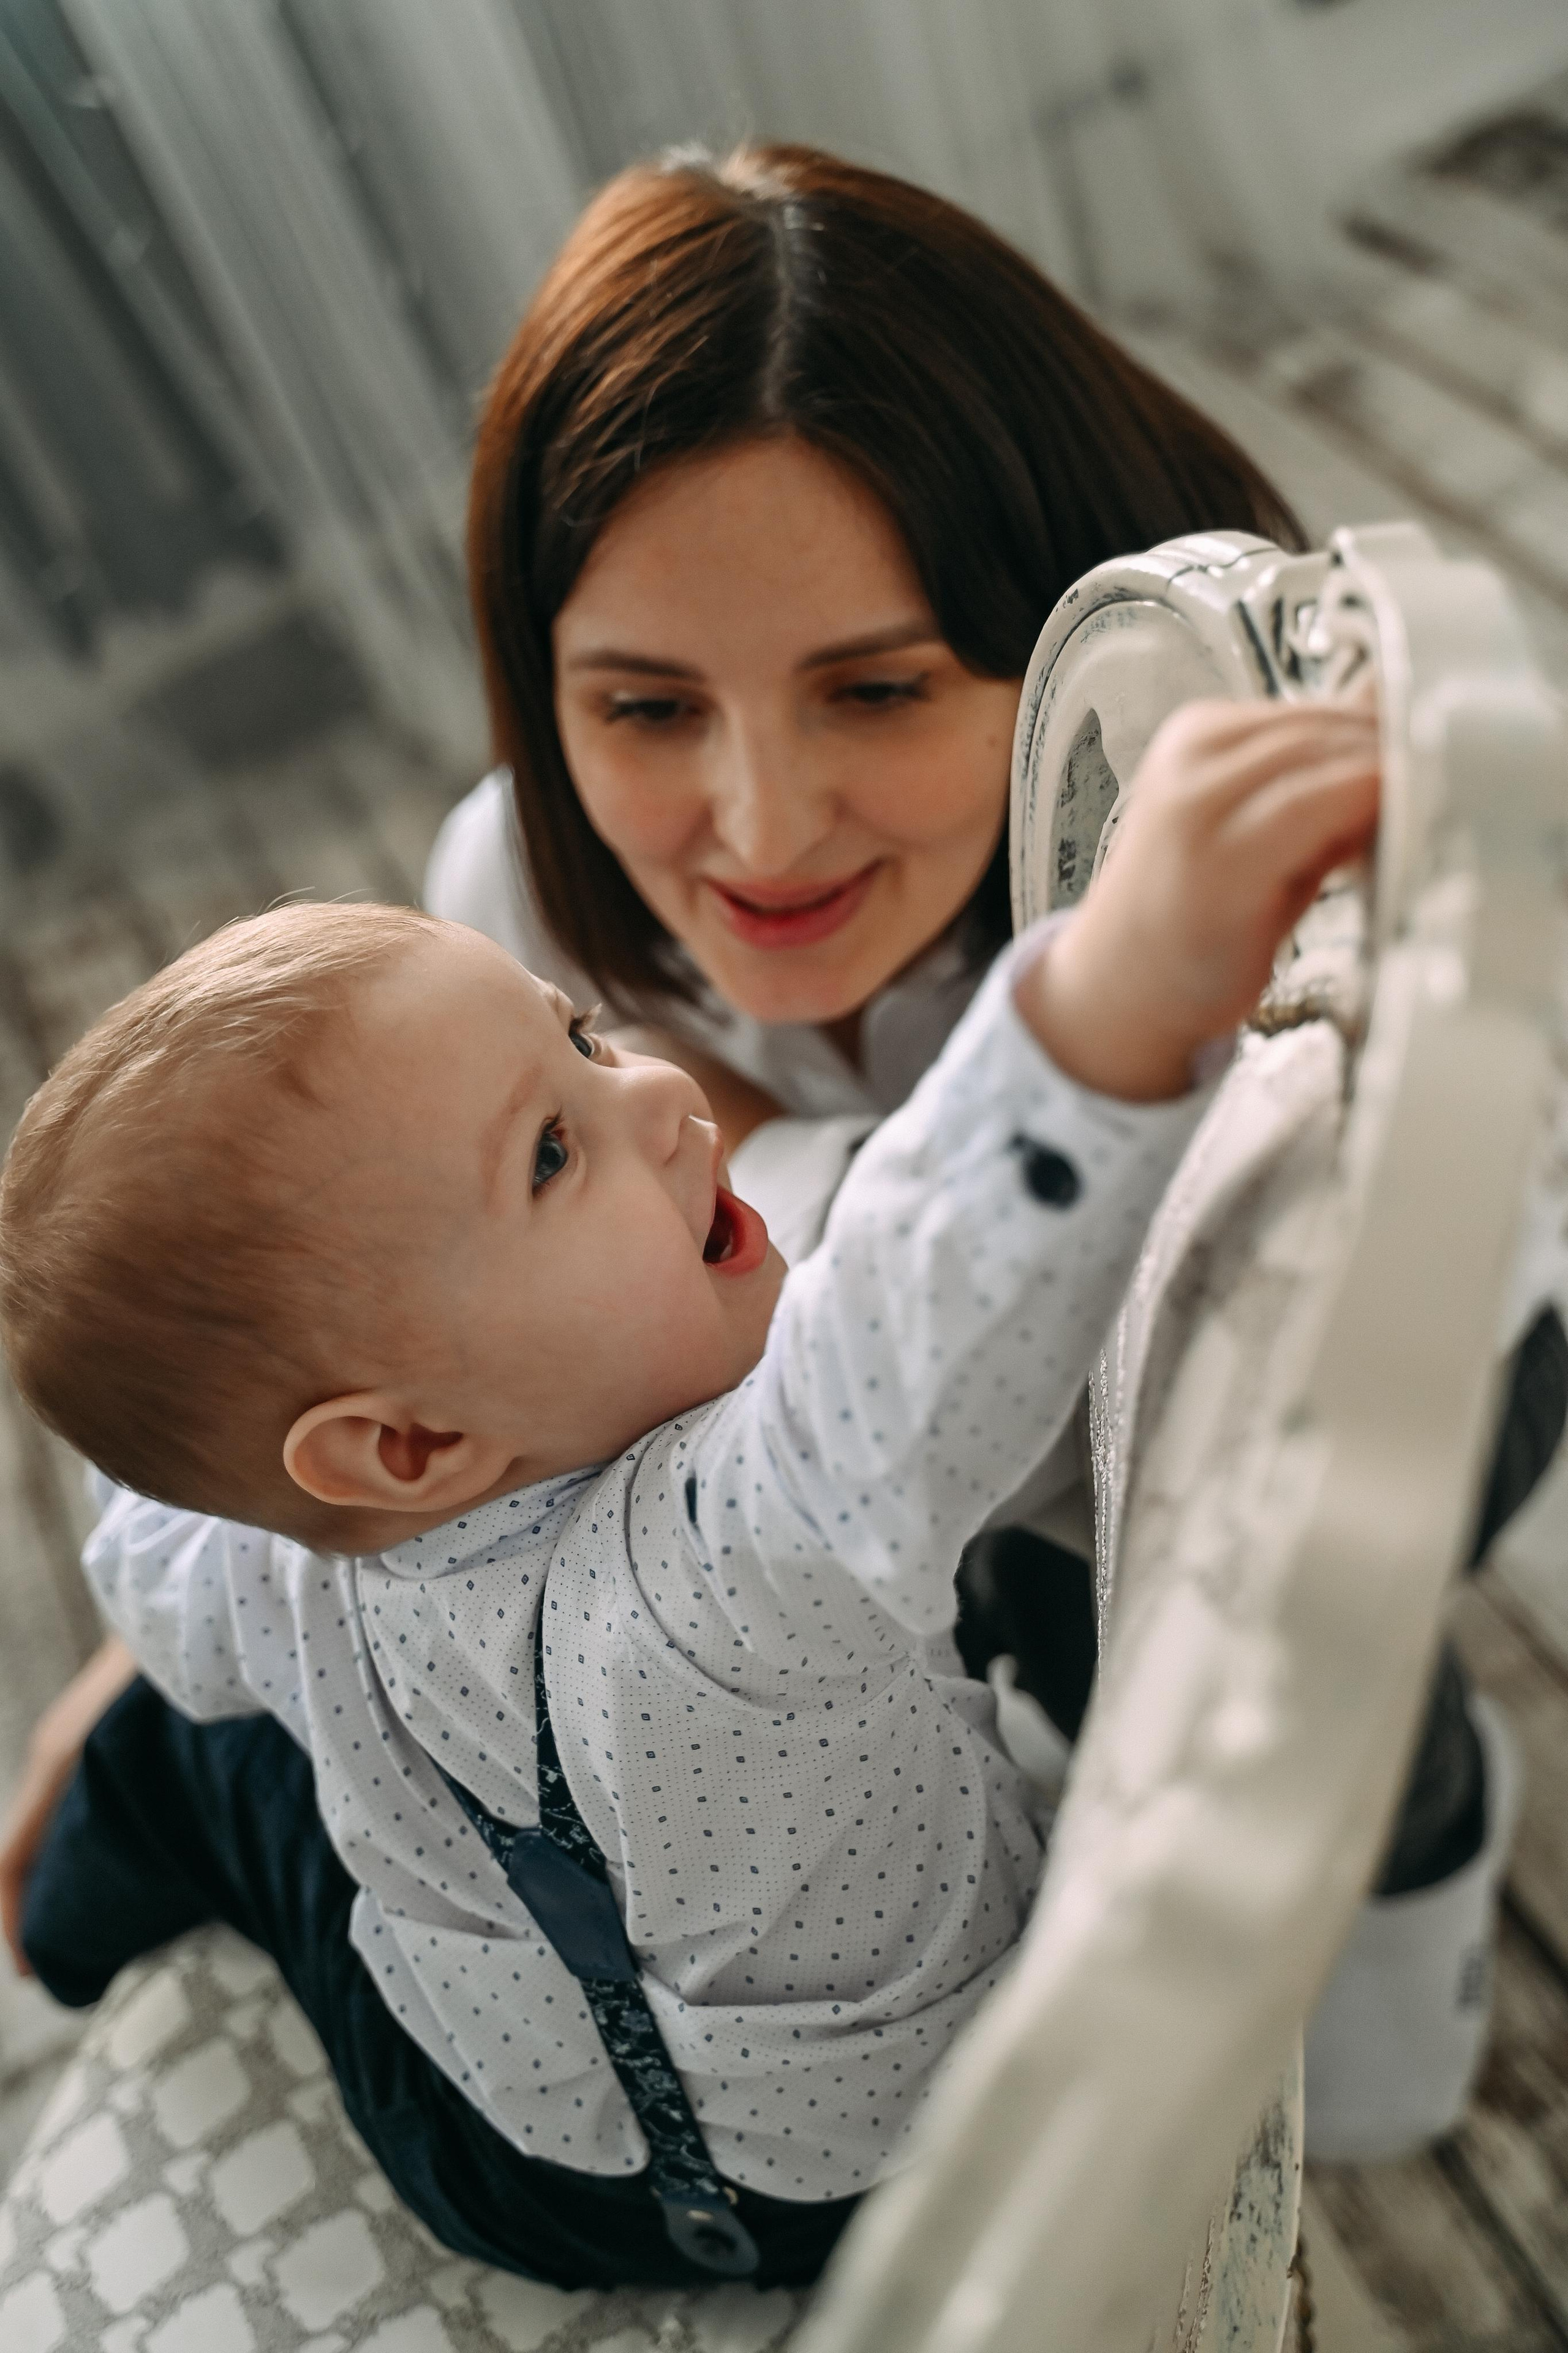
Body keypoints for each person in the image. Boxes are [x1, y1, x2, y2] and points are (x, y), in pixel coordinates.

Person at [2, 139, 1559, 2168]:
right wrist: (173, 1603)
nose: (754, 826)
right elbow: (375, 1299)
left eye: (879, 688)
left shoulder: (1219, 971)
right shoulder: (512, 896)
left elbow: (931, 1337)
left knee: (1272, 1708)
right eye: (645, 706)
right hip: (866, 1553)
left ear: (1061, 631)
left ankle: (1411, 1909)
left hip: (1371, 1347)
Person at [0, 688, 1376, 2284]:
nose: (659, 1094)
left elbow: (154, 1556)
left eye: (578, 1038)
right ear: (409, 1445)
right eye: (552, 1151)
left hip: (521, 2147)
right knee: (196, 1729)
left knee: (189, 1747)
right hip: (901, 2159)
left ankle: (57, 1920)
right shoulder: (730, 1578)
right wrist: (1120, 988)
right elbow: (910, 1332)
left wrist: (212, 1418)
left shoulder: (271, 1567)